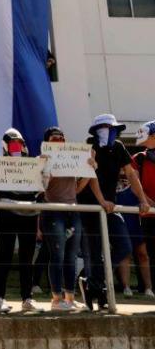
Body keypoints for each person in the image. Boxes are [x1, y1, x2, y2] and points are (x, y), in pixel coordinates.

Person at [78, 114, 151, 311]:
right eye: (107, 128)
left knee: (124, 246)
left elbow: (130, 174)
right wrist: (101, 200)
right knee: (94, 251)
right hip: (90, 206)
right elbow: (90, 175)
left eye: (113, 129)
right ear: (97, 130)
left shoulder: (118, 147)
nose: (111, 132)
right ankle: (98, 292)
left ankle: (92, 282)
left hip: (110, 206)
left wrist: (142, 199)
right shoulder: (89, 145)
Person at [0, 128, 43, 313]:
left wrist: (46, 170)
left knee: (27, 259)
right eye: (12, 142)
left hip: (30, 214)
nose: (17, 146)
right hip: (7, 213)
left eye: (19, 142)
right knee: (4, 256)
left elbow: (40, 191)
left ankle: (27, 298)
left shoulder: (33, 164)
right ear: (5, 145)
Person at [40, 127, 90, 311]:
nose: (59, 140)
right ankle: (56, 299)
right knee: (58, 255)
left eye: (62, 137)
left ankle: (70, 298)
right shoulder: (41, 160)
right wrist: (45, 172)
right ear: (47, 141)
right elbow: (39, 187)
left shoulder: (71, 158)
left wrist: (89, 169)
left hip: (73, 210)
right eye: (55, 138)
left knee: (71, 256)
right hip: (53, 211)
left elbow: (77, 187)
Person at [115, 170, 152, 297]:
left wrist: (149, 204)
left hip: (134, 221)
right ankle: (126, 287)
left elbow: (143, 197)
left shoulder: (133, 173)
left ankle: (148, 289)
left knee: (143, 254)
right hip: (117, 218)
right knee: (125, 253)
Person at [132, 120, 155, 298]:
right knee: (149, 252)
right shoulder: (138, 158)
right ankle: (149, 288)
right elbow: (135, 184)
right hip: (147, 215)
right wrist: (149, 203)